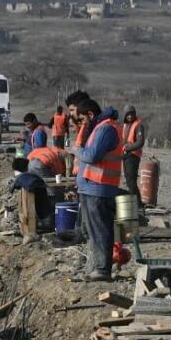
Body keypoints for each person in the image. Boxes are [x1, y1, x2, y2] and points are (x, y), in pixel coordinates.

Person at [68, 98, 121, 281]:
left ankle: (102, 269)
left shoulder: (105, 128)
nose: (82, 123)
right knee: (92, 231)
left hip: (99, 188)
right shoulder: (98, 128)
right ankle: (94, 267)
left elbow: (92, 156)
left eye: (82, 119)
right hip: (91, 187)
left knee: (100, 229)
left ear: (90, 114)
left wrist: (76, 150)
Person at [10, 156, 54, 232]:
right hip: (45, 213)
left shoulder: (23, 179)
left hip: (40, 218)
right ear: (27, 168)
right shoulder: (33, 177)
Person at [121, 107, 145, 200]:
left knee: (131, 181)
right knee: (129, 181)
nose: (130, 116)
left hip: (133, 155)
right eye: (128, 114)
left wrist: (128, 148)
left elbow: (140, 142)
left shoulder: (138, 125)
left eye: (132, 114)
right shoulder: (125, 125)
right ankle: (137, 203)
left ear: (135, 114)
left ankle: (137, 204)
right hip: (125, 155)